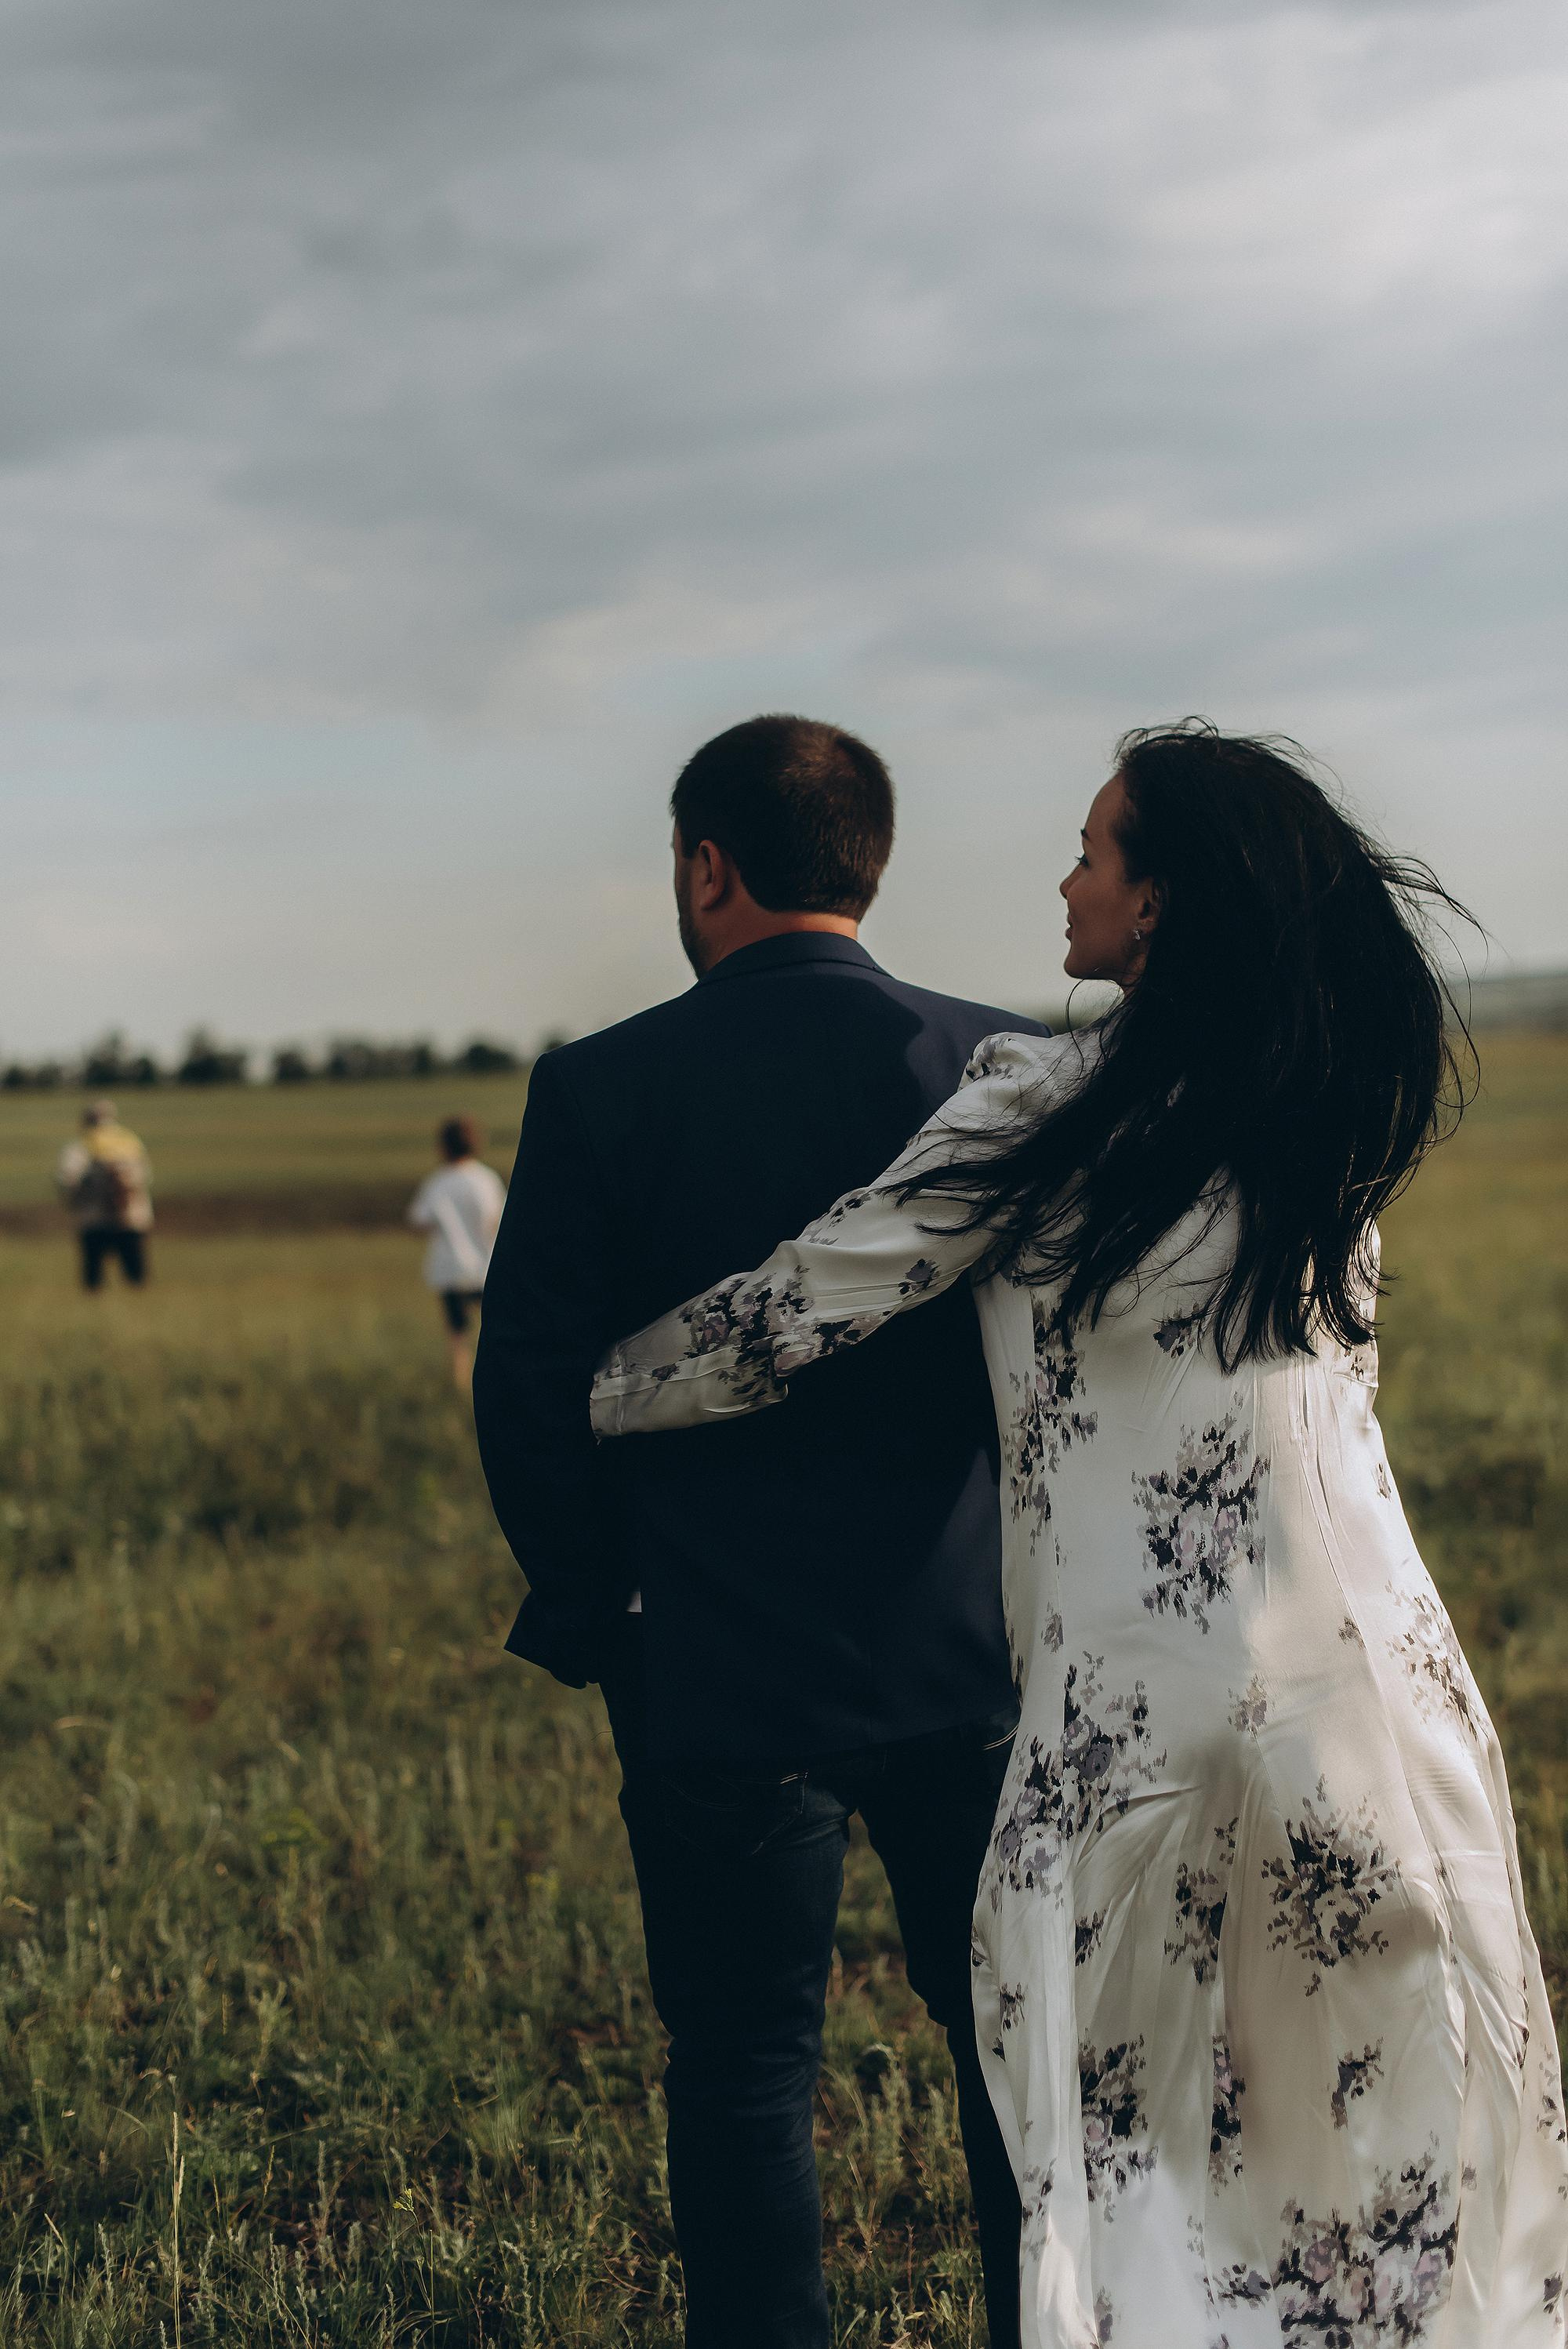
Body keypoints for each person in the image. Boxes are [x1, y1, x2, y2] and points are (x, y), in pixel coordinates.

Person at [590, 722, 1568, 2349]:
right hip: (1379, 1701)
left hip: (1143, 1728)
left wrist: (589, 1391)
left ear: (1161, 902)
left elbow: (795, 1312)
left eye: (1093, 850)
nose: (1063, 878)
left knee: (1133, 2169)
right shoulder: (1320, 1121)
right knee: (1381, 2158)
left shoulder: (1037, 1117)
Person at [474, 714, 1051, 2349]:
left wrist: (601, 1609)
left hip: (712, 1664)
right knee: (1010, 2043)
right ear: (867, 861)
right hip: (975, 1650)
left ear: (706, 865)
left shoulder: (602, 1085)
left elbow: (528, 1392)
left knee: (741, 2070)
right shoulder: (995, 1064)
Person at [407, 1116, 506, 1388]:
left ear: (444, 1147)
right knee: (496, 1330)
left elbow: (418, 1221)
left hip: (450, 1269)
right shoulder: (486, 1179)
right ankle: (497, 1380)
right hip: (486, 1268)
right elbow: (498, 1219)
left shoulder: (438, 1183)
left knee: (457, 1335)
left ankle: (461, 1383)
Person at [56, 1099, 154, 1289]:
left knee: (93, 1278)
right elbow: (145, 1177)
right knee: (136, 1276)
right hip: (131, 1217)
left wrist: (74, 1202)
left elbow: (67, 1180)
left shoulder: (82, 1145)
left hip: (94, 1219)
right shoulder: (130, 1141)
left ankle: (96, 1312)